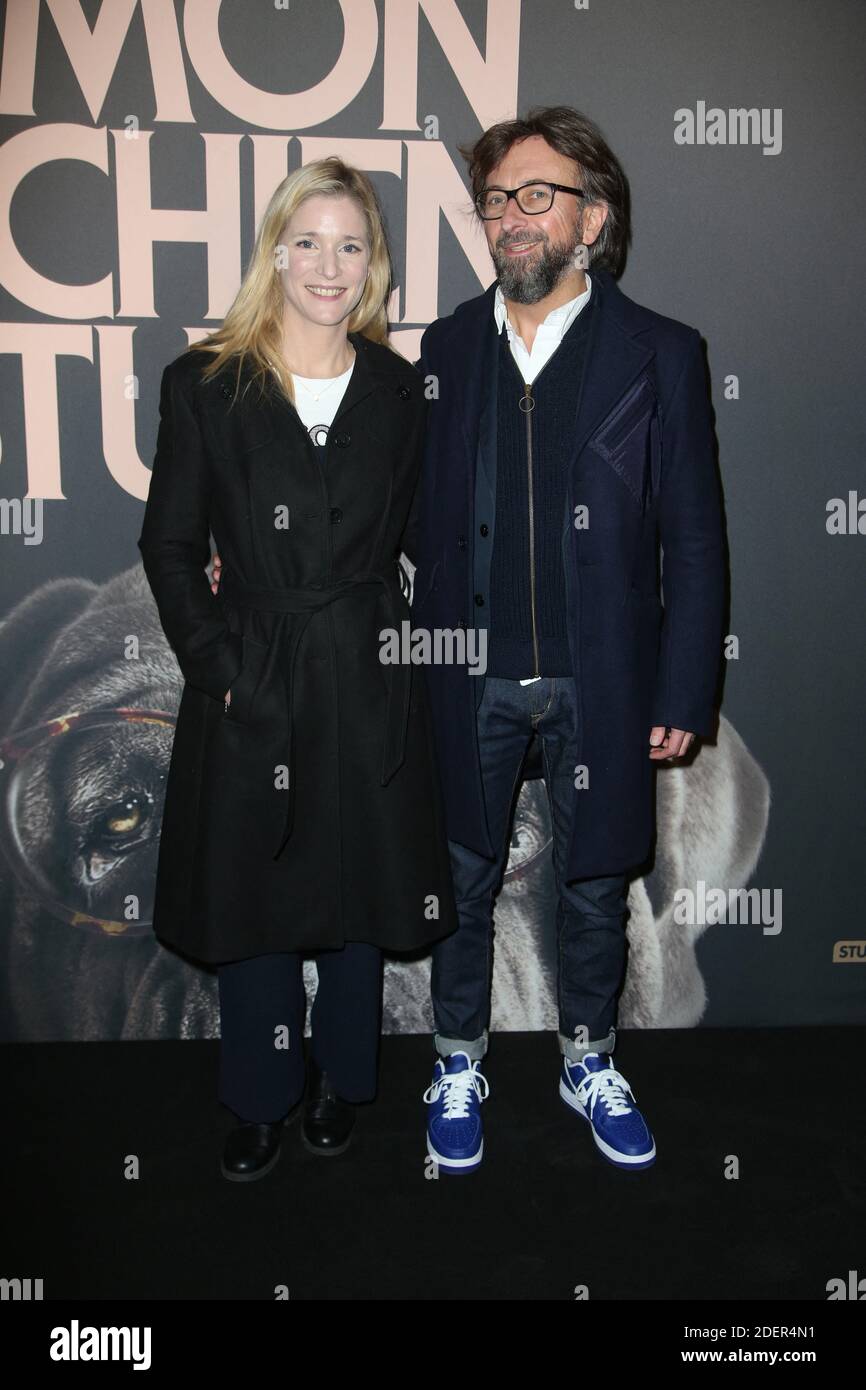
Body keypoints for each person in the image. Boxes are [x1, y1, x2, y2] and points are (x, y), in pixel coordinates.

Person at [410, 106, 727, 1173]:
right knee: (456, 877)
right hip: (471, 676)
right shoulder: (445, 347)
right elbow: (405, 514)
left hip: (604, 677)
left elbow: (691, 533)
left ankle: (587, 1054)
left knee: (593, 883)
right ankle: (457, 1056)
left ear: (591, 217)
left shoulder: (661, 354)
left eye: (535, 195)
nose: (509, 217)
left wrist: (682, 688)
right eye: (496, 198)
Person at [138, 157, 457, 1183]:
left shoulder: (401, 388)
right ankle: (262, 1093)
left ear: (374, 265)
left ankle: (340, 1080)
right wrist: (222, 669)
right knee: (255, 895)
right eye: (308, 241)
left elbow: (420, 537)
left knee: (357, 895)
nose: (328, 264)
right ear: (275, 248)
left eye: (350, 245)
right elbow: (170, 544)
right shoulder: (205, 382)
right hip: (253, 665)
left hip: (365, 670)